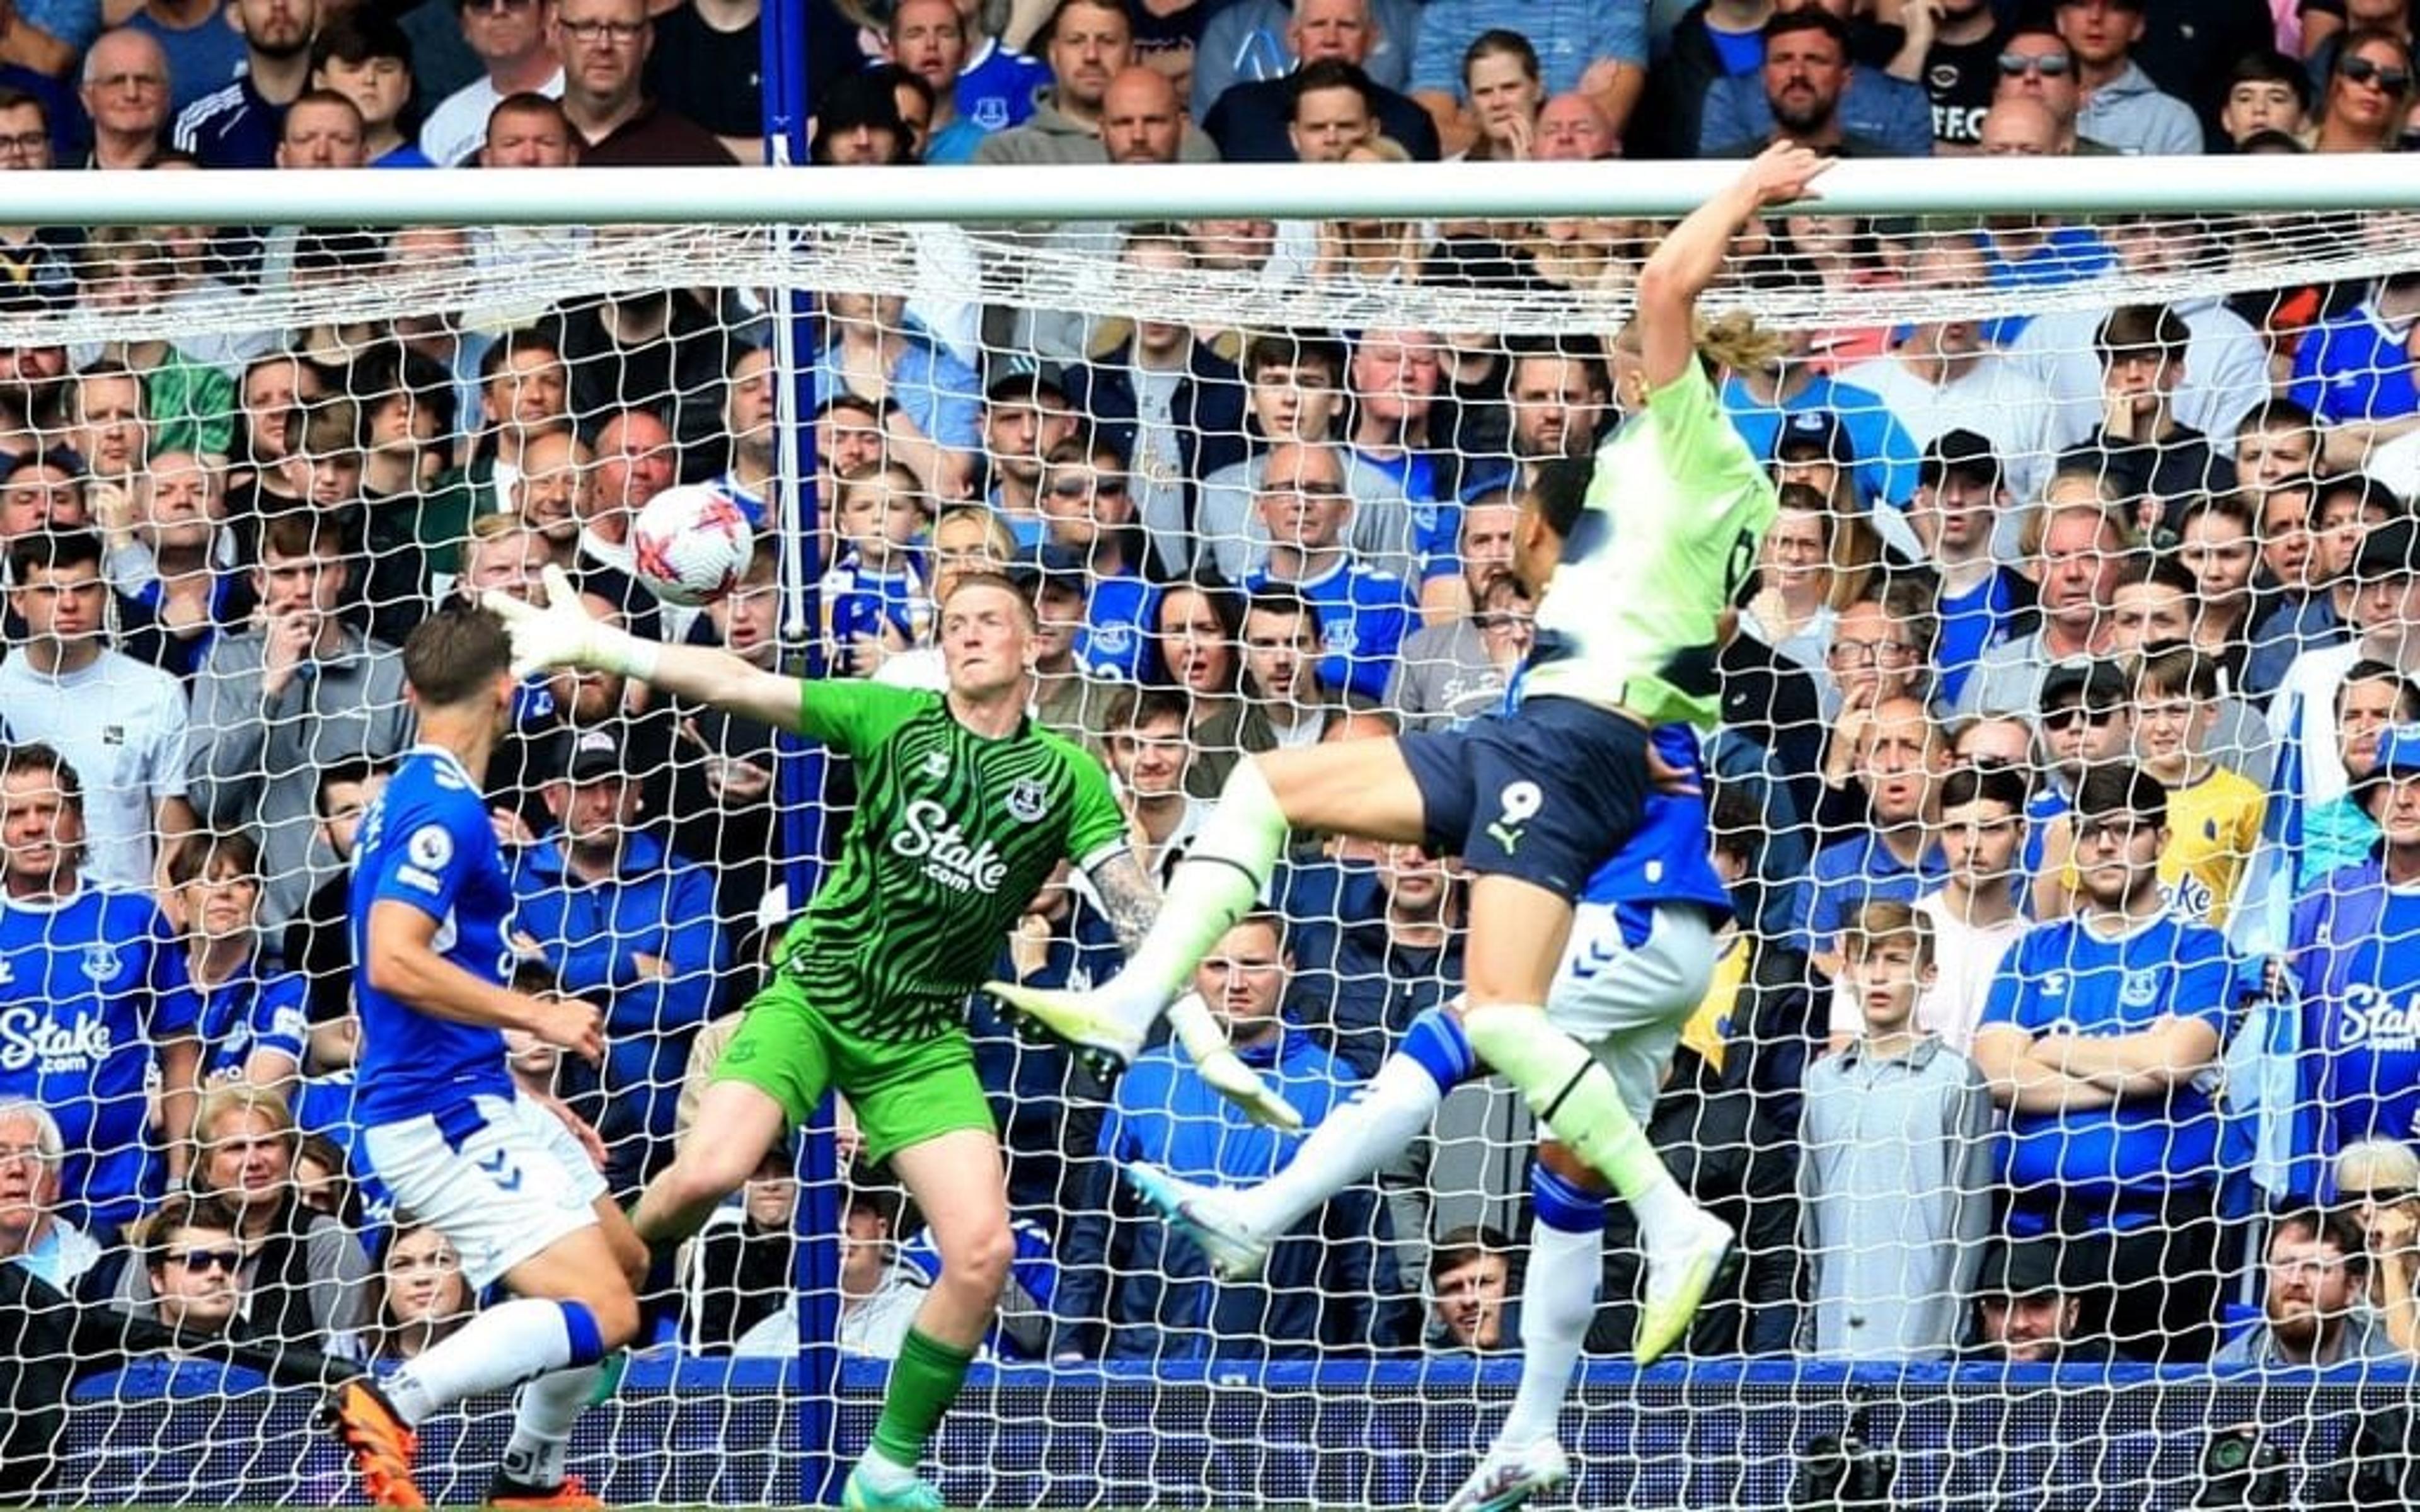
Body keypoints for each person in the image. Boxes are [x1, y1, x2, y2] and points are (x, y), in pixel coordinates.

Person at [994, 158, 1823, 1406]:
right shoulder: (1679, 491)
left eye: (1636, 357)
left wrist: (1750, 183)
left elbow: (1663, 279)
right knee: (1268, 785)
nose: (1618, 368)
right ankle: (1134, 1003)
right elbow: (1677, 653)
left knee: (1486, 1017)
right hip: (1545, 733)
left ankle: (1669, 1219)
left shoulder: (1697, 443)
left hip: (1565, 750)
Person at [484, 564, 1291, 1509]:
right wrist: (605, 647)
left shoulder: (1067, 778)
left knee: (983, 1253)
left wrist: (1202, 1041)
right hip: (816, 998)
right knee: (708, 1173)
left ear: (1036, 646)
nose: (971, 634)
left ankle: (887, 1469)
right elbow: (744, 685)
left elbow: (1137, 918)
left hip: (920, 1037)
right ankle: (603, 1315)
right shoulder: (895, 719)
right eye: (955, 623)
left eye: (992, 620)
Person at [326, 601, 647, 1509]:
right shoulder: (444, 814)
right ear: (509, 691)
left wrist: (522, 1092)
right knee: (609, 1315)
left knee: (624, 1266)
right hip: (435, 1115)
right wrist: (536, 1018)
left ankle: (531, 1480)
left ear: (409, 689)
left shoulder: (411, 795)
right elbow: (394, 960)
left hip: (475, 1091)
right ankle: (392, 1398)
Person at [1971, 764, 2238, 1363]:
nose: (2107, 845)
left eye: (2125, 829)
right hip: (2032, 1236)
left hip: (2155, 1238)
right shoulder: (2035, 949)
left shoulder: (2200, 949)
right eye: (2093, 831)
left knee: (2156, 1435)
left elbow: (2172, 1062)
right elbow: (1997, 1074)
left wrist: (2052, 1047)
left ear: (2161, 840)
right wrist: (2133, 1066)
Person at [0, 742, 199, 1234]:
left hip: (120, 1202)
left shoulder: (132, 919)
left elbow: (180, 1052)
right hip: (10, 1211)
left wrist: (179, 1180)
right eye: (15, 813)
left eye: (48, 809)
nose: (32, 826)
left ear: (79, 822)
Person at [1799, 902, 1993, 1361]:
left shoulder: (1957, 1079)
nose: (1878, 976)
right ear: (1847, 971)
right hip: (1834, 1339)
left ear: (1928, 974)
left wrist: (1940, 1344)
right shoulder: (1822, 1081)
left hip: (1919, 1348)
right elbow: (1811, 1222)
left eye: (1896, 960)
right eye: (1866, 958)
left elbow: (1967, 1226)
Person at [2213, 1208, 2397, 1369]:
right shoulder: (2229, 1371)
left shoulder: (2390, 1370)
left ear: (2352, 1287)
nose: (2295, 1280)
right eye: (2284, 1264)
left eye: (2315, 1267)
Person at [1426, 1224, 1516, 1353]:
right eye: (1453, 1288)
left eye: (1483, 1283)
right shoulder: (1422, 1370)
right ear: (1437, 1307)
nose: (1469, 1300)